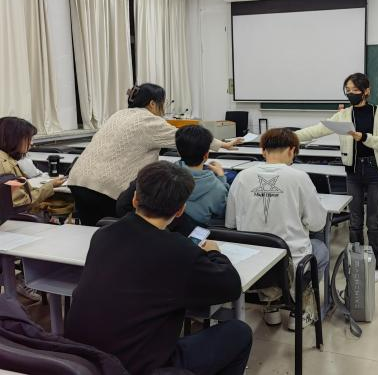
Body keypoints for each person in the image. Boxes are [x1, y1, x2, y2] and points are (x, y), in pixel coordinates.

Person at [65, 161, 252, 375]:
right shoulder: (179, 250)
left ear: (135, 199)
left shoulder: (103, 235)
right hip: (134, 368)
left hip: (81, 360)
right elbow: (231, 286)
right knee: (238, 332)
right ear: (180, 210)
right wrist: (214, 253)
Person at [68, 83, 241, 226]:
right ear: (152, 103)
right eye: (162, 103)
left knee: (91, 232)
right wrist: (222, 144)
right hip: (106, 188)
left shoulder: (118, 114)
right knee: (119, 233)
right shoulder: (149, 120)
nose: (163, 109)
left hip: (78, 179)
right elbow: (187, 138)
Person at [225, 128, 328, 330]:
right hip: (290, 264)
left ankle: (270, 306)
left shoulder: (242, 177)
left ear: (263, 150)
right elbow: (317, 223)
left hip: (253, 263)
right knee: (321, 250)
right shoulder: (299, 178)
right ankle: (298, 309)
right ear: (292, 150)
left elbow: (230, 223)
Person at [295, 73, 378, 282]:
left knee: (373, 221)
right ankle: (357, 261)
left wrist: (363, 137)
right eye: (347, 90)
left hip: (375, 171)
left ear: (366, 91)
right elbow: (318, 130)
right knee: (355, 221)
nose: (351, 94)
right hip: (353, 171)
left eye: (355, 90)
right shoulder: (344, 115)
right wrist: (291, 136)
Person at [0, 117, 66, 302]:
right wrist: (50, 187)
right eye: (28, 139)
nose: (31, 143)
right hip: (8, 222)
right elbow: (21, 201)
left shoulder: (6, 159)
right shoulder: (4, 164)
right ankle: (25, 279)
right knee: (48, 228)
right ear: (14, 138)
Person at [175, 125, 229, 227]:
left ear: (178, 152)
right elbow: (222, 212)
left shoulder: (165, 176)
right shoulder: (217, 187)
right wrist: (221, 177)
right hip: (198, 233)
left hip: (167, 230)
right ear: (206, 155)